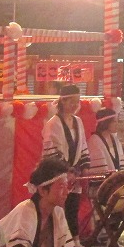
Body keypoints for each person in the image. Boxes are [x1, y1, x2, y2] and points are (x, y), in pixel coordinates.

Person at [42, 84, 90, 237]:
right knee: (59, 209)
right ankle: (60, 240)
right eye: (72, 101)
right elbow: (51, 151)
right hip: (58, 173)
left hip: (75, 172)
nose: (75, 105)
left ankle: (74, 239)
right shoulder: (53, 123)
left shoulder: (78, 121)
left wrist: (84, 167)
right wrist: (66, 170)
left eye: (77, 101)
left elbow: (83, 145)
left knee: (73, 207)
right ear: (62, 101)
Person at [87, 107, 124, 233]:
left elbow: (122, 166)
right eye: (115, 121)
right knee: (120, 197)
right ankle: (111, 231)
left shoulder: (114, 139)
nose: (117, 124)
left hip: (115, 185)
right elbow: (99, 173)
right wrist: (116, 181)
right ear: (105, 122)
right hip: (101, 187)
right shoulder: (94, 141)